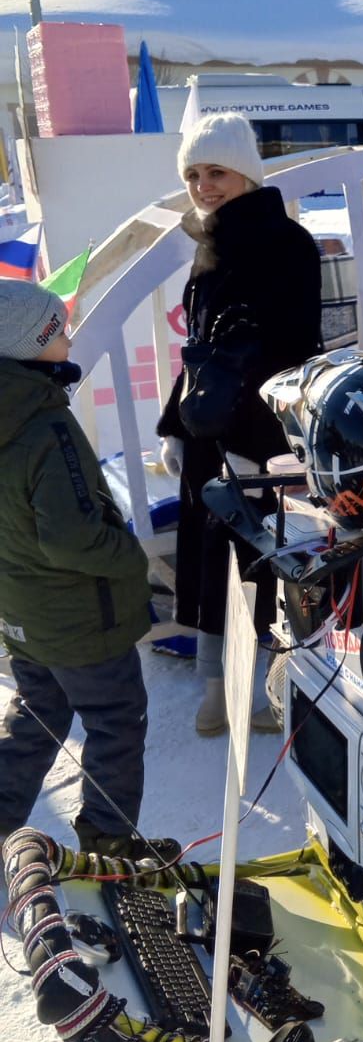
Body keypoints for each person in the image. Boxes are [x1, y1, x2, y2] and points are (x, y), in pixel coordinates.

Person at [157, 113, 323, 735]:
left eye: (217, 171)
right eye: (195, 173)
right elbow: (199, 346)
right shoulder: (210, 242)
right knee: (211, 562)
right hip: (208, 430)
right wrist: (176, 424)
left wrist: (263, 438)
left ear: (247, 174)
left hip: (258, 434)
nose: (204, 184)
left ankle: (263, 688)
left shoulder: (287, 244)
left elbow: (294, 350)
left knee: (259, 562)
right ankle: (218, 690)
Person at [0, 278, 170, 859]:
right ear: (32, 344)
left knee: (37, 715)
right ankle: (109, 837)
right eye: (60, 331)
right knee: (116, 720)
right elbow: (72, 538)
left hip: (24, 611)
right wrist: (128, 556)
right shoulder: (43, 424)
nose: (69, 340)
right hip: (80, 617)